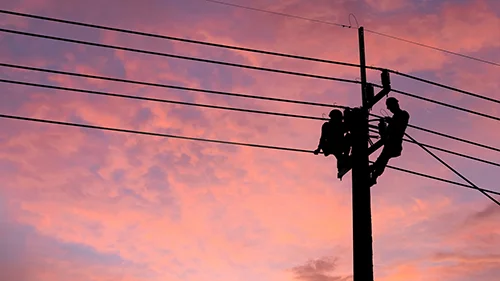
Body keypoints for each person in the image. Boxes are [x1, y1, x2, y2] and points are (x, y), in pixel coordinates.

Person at [369, 97, 410, 185]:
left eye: (390, 107)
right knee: (382, 160)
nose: (389, 109)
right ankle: (374, 174)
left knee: (382, 159)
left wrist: (391, 122)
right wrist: (381, 127)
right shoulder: (394, 119)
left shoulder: (403, 114)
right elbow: (384, 136)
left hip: (395, 144)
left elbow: (400, 126)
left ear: (395, 104)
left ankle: (373, 172)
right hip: (390, 144)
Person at [314, 109, 351, 175]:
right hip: (331, 146)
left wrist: (347, 115)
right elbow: (322, 138)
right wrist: (318, 149)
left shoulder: (340, 125)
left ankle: (344, 160)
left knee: (348, 137)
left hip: (337, 146)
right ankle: (343, 160)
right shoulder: (328, 126)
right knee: (340, 154)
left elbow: (349, 127)